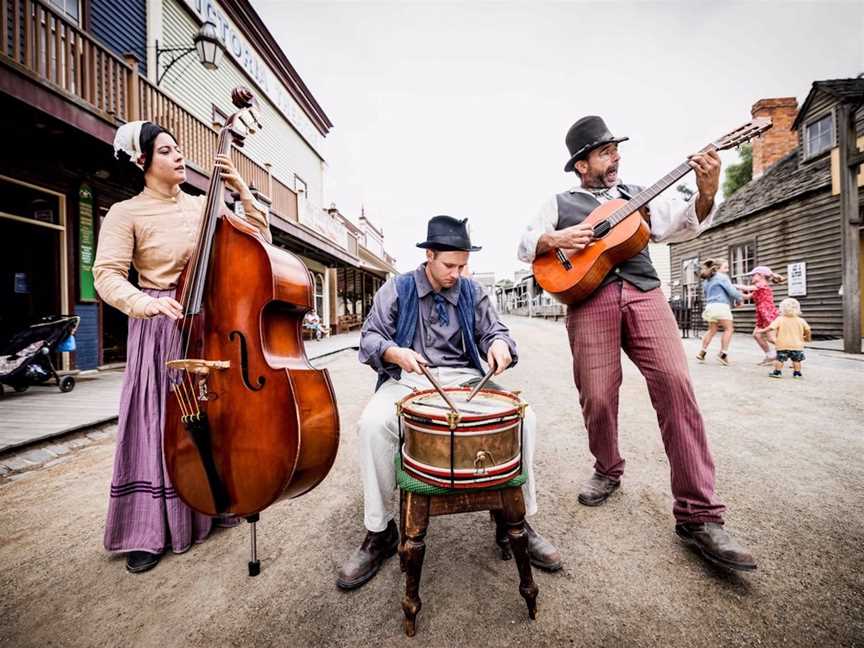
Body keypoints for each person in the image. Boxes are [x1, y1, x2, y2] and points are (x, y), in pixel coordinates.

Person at [518, 115, 756, 571]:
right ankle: (607, 468)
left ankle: (699, 514)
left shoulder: (636, 196)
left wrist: (707, 191)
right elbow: (526, 245)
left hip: (645, 293)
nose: (616, 158)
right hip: (589, 299)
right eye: (605, 152)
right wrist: (556, 237)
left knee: (675, 385)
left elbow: (684, 223)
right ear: (581, 164)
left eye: (616, 150)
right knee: (598, 395)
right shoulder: (558, 201)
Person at [337, 215, 561, 590]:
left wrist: (499, 346)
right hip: (409, 378)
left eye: (463, 265)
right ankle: (380, 532)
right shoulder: (397, 288)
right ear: (429, 256)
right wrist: (394, 352)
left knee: (526, 419)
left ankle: (515, 520)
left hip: (465, 380)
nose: (457, 273)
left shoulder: (473, 292)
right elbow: (370, 337)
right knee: (372, 426)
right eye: (449, 265)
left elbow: (496, 331)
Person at [93, 121, 272, 573]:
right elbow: (106, 274)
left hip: (207, 320)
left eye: (179, 150)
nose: (179, 157)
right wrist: (142, 304)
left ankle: (212, 499)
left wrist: (239, 190)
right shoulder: (125, 213)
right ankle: (146, 530)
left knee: (210, 413)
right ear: (143, 161)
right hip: (158, 323)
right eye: (167, 151)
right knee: (159, 418)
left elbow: (261, 239)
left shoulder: (202, 206)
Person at [697, 258, 743, 365]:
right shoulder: (722, 277)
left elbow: (707, 294)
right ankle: (723, 354)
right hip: (721, 306)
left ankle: (702, 352)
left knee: (712, 330)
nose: (727, 270)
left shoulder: (707, 280)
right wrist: (739, 299)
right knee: (729, 329)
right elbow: (732, 291)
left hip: (710, 307)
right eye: (725, 267)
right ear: (717, 268)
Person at [740, 266, 784, 366]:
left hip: (767, 312)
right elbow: (747, 296)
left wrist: (732, 285)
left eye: (753, 275)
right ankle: (771, 356)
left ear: (761, 275)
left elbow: (747, 288)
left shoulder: (762, 284)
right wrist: (731, 291)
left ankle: (792, 352)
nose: (751, 278)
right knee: (757, 335)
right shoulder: (758, 287)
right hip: (761, 313)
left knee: (771, 338)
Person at [767, 298, 811, 379]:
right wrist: (807, 338)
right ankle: (797, 373)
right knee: (796, 360)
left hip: (782, 345)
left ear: (782, 309)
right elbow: (808, 330)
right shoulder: (801, 320)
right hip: (797, 345)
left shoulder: (780, 319)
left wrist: (763, 330)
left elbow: (771, 327)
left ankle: (777, 372)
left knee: (780, 359)